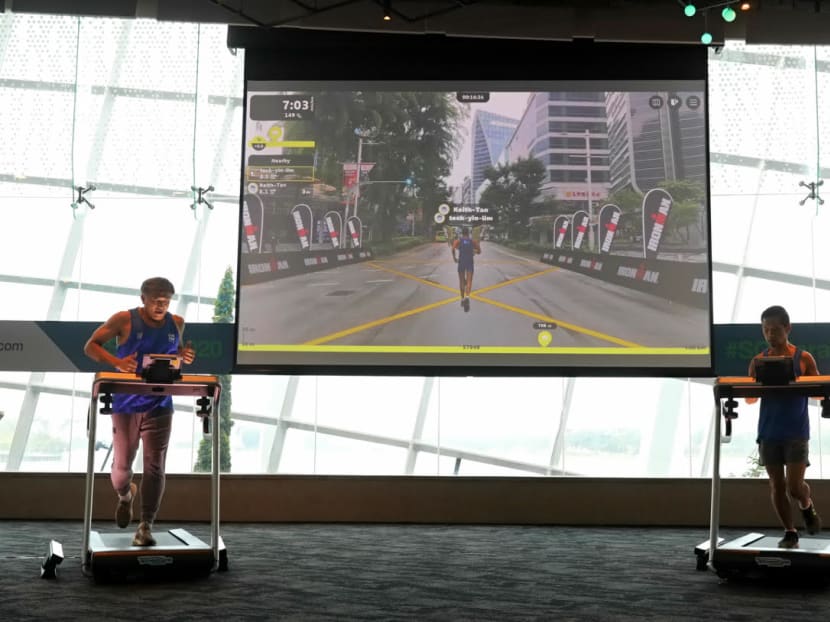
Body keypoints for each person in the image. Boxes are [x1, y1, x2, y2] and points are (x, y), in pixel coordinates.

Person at [84, 277, 196, 546]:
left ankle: (146, 525)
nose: (161, 306)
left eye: (166, 301)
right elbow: (90, 346)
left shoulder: (176, 322)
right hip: (125, 404)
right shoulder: (124, 319)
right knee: (121, 469)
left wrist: (185, 354)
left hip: (160, 405)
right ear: (143, 298)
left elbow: (175, 355)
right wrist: (117, 362)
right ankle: (125, 495)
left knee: (155, 465)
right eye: (157, 300)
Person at [747, 305, 821, 548]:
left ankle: (806, 506)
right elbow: (749, 398)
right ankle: (790, 531)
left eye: (775, 329)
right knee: (776, 484)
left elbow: (819, 394)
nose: (770, 335)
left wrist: (797, 382)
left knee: (794, 486)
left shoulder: (804, 358)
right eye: (766, 330)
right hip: (769, 432)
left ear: (787, 328)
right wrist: (756, 385)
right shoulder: (758, 361)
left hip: (796, 432)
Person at [451, 226, 481, 312]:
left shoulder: (458, 241)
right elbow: (479, 251)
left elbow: (453, 249)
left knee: (461, 281)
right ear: (469, 233)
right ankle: (467, 297)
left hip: (461, 262)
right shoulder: (473, 241)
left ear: (462, 233)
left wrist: (454, 258)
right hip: (469, 262)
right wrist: (474, 251)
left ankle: (462, 298)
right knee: (469, 281)